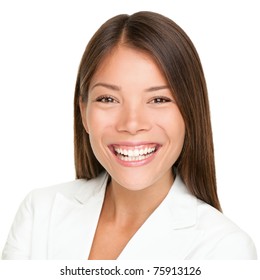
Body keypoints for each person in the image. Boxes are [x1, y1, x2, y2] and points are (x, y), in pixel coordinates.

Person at [2, 11, 257, 260]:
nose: (132, 124)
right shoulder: (39, 213)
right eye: (108, 99)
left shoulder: (226, 250)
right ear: (84, 112)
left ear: (190, 112)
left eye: (158, 99)